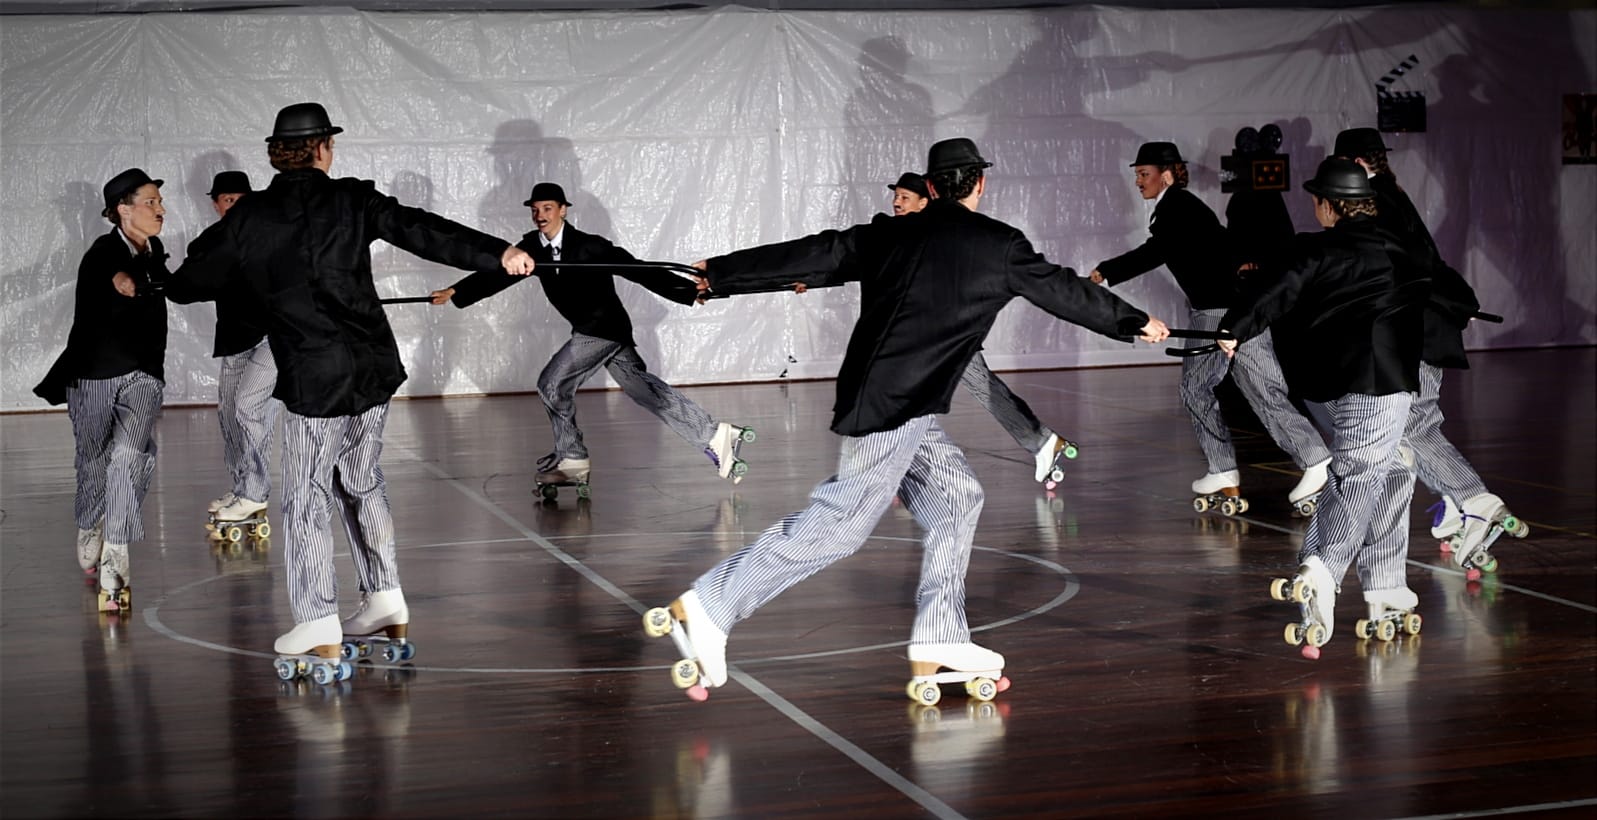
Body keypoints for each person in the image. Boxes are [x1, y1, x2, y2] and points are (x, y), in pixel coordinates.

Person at [650, 138, 1169, 700]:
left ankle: (939, 636)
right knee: (842, 524)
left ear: (929, 185)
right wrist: (1134, 322)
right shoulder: (997, 244)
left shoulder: (890, 233)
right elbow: (1062, 290)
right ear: (979, 183)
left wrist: (721, 273)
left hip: (893, 396)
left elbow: (815, 253)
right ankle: (709, 605)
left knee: (956, 498)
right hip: (897, 405)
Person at [168, 102, 536, 670]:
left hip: (316, 376)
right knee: (362, 480)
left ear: (277, 153)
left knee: (306, 494)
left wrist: (188, 269)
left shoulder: (248, 219)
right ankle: (384, 598)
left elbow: (189, 283)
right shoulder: (353, 200)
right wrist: (500, 253)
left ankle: (317, 619)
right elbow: (423, 230)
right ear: (323, 149)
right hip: (371, 368)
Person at [1216, 157, 1429, 654]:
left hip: (1324, 386)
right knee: (1360, 473)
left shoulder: (1317, 248)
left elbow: (1276, 290)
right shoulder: (1403, 245)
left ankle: (1384, 581)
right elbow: (1433, 285)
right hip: (1379, 385)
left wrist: (1235, 328)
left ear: (1327, 205)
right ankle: (1324, 568)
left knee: (1395, 467)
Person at [429, 182, 754, 489]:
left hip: (601, 328)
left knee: (552, 384)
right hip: (598, 331)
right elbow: (498, 275)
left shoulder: (590, 246)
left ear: (563, 210)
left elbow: (636, 268)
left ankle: (572, 458)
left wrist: (686, 290)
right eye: (535, 209)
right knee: (643, 390)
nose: (540, 215)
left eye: (548, 208)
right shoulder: (531, 248)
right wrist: (457, 291)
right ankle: (714, 434)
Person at [1090, 141, 1331, 513]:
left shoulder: (1177, 209)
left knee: (1198, 389)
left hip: (1218, 312)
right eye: (1137, 175)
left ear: (1166, 174)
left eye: (1144, 174)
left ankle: (1231, 468)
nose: (1138, 182)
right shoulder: (1179, 209)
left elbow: (1156, 252)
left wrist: (1106, 272)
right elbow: (1207, 245)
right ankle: (1308, 460)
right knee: (1259, 389)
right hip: (1236, 308)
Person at [1332, 127, 1523, 570]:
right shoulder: (1389, 194)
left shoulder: (1377, 203)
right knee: (1410, 423)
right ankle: (1457, 501)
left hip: (1415, 327)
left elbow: (1413, 264)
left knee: (1412, 424)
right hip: (1420, 324)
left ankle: (1474, 498)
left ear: (1357, 164)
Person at [33, 168, 170, 611]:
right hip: (92, 375)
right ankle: (90, 522)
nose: (160, 209)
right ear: (123, 210)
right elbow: (120, 280)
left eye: (158, 201)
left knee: (130, 455)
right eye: (150, 202)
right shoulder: (102, 253)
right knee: (93, 461)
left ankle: (116, 547)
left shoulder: (156, 248)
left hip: (143, 374)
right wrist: (134, 283)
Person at [197, 171, 281, 533]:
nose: (232, 205)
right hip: (234, 341)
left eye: (240, 199)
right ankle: (242, 488)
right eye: (226, 199)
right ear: (215, 204)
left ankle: (256, 490)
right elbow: (193, 278)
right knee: (230, 415)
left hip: (274, 338)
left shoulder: (270, 237)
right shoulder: (210, 242)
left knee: (249, 407)